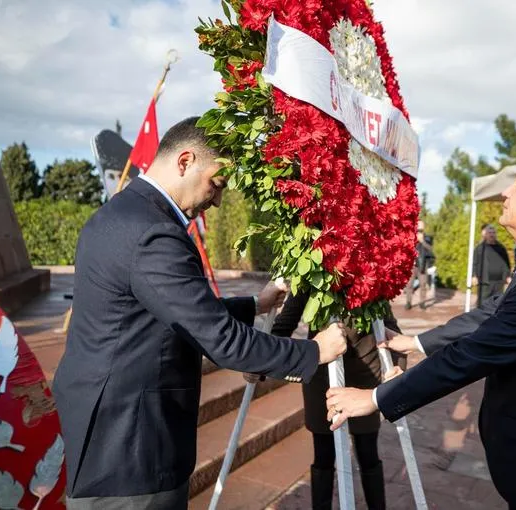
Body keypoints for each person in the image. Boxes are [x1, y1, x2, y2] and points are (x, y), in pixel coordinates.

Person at [52, 117, 347, 510]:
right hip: (133, 449)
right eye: (217, 183)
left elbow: (161, 313)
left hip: (109, 435)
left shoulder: (121, 215)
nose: (218, 199)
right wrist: (313, 352)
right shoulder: (154, 233)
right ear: (186, 161)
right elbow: (220, 340)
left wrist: (253, 305)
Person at [326, 152, 516, 510]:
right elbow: (491, 314)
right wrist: (415, 342)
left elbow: (474, 353)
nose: (506, 192)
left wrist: (375, 397)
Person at [269, 292, 406, 510]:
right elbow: (284, 325)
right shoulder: (311, 272)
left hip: (366, 377)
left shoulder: (373, 270)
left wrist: (399, 370)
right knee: (323, 455)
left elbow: (390, 327)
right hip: (323, 379)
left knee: (367, 451)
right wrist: (266, 362)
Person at [471, 224, 510, 306]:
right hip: (485, 282)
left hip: (499, 283)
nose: (492, 234)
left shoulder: (501, 248)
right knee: (483, 304)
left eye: (493, 232)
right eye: (490, 232)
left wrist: (508, 276)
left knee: (497, 304)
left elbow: (506, 263)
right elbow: (474, 262)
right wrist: (474, 276)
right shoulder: (480, 248)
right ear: (485, 234)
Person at [405, 220, 434, 310]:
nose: (419, 229)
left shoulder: (427, 238)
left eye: (421, 227)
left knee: (423, 285)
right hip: (413, 264)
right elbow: (407, 248)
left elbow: (430, 250)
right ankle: (408, 302)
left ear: (424, 227)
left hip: (423, 264)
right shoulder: (411, 236)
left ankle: (422, 303)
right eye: (418, 227)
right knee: (409, 285)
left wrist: (422, 241)